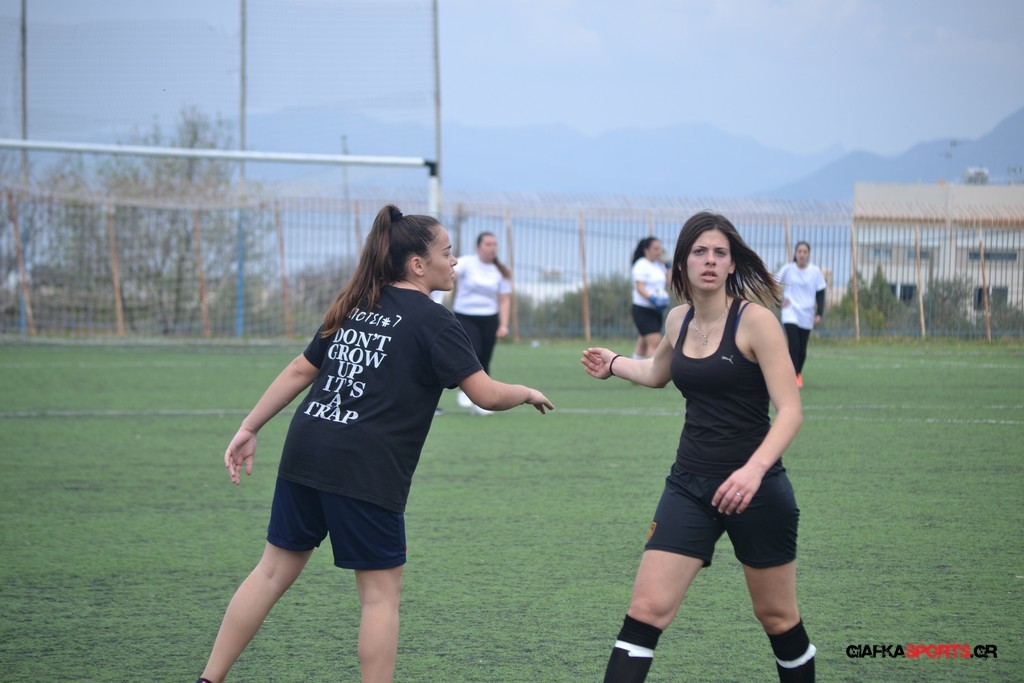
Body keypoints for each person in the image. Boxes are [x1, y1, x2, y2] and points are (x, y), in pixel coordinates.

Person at [196, 205, 553, 683]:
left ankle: (208, 679)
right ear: (418, 265)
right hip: (364, 467)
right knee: (380, 598)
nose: (455, 261)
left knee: (270, 573)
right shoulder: (436, 322)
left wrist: (249, 426)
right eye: (447, 252)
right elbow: (485, 394)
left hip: (307, 449)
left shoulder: (357, 302)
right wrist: (526, 392)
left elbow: (302, 370)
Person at [581, 211, 814, 682]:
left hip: (756, 490)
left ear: (732, 264)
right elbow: (656, 373)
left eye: (719, 253)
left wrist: (753, 471)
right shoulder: (677, 319)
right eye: (700, 252)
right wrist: (615, 363)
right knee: (645, 610)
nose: (710, 260)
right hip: (688, 485)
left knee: (777, 617)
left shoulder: (757, 322)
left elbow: (790, 411)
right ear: (682, 262)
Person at [451, 231, 513, 415]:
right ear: (479, 247)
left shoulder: (501, 271)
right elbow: (449, 274)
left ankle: (483, 401)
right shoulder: (466, 263)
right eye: (488, 244)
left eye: (494, 244)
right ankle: (464, 390)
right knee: (474, 351)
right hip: (465, 315)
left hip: (489, 317)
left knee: (485, 358)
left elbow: (504, 299)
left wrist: (503, 325)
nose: (492, 247)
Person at [777, 241, 826, 388]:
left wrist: (820, 312)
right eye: (799, 251)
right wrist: (778, 301)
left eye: (805, 252)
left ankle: (798, 373)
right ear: (795, 253)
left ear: (809, 254)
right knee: (794, 344)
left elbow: (820, 292)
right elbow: (773, 283)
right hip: (790, 312)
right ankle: (792, 376)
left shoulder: (815, 272)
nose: (802, 254)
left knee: (802, 349)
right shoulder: (788, 269)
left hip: (807, 314)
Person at [630, 237, 670, 360]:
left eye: (660, 248)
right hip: (643, 309)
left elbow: (669, 282)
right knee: (654, 343)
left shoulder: (659, 265)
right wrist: (653, 299)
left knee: (643, 345)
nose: (659, 251)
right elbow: (640, 288)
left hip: (656, 310)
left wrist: (668, 265)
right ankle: (652, 371)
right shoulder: (641, 264)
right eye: (655, 249)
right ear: (646, 250)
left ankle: (634, 369)